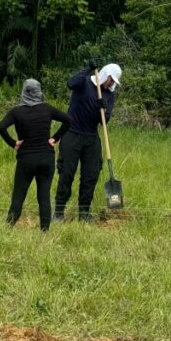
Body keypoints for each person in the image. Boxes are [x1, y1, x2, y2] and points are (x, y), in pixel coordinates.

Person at [0, 79, 71, 231]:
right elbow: (68, 120)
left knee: (19, 195)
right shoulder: (47, 109)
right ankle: (44, 231)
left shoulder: (16, 112)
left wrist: (14, 143)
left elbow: (1, 127)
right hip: (46, 158)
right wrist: (55, 138)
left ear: (24, 92)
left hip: (26, 159)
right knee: (43, 195)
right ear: (39, 92)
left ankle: (8, 228)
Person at [54, 60, 122, 222]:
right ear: (105, 75)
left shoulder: (109, 95)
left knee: (91, 175)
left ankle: (84, 213)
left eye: (114, 82)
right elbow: (70, 83)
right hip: (72, 133)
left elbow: (105, 121)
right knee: (67, 173)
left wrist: (103, 109)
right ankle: (58, 212)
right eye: (111, 79)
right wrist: (88, 69)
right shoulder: (84, 83)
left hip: (91, 137)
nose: (111, 83)